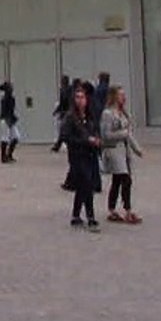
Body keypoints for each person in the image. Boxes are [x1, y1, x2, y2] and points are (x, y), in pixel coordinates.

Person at [100, 86, 143, 224]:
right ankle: (128, 210)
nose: (123, 98)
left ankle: (112, 209)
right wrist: (122, 134)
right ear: (114, 96)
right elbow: (106, 135)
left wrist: (136, 149)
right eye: (120, 95)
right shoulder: (108, 114)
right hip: (113, 150)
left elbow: (128, 134)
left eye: (124, 95)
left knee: (117, 180)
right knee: (125, 179)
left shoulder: (124, 113)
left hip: (124, 151)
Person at [60, 86, 101, 232]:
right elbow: (65, 136)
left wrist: (96, 140)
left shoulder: (89, 116)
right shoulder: (70, 117)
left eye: (82, 97)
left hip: (90, 154)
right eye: (77, 97)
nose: (80, 100)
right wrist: (85, 140)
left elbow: (95, 130)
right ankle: (91, 217)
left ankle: (76, 215)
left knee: (83, 185)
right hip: (77, 155)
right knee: (87, 184)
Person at [0, 81, 20, 163]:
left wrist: (13, 119)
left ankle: (9, 154)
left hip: (10, 120)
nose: (12, 89)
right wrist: (8, 120)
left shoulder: (10, 97)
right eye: (10, 87)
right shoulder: (5, 98)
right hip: (6, 120)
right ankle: (3, 157)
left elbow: (11, 111)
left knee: (16, 137)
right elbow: (5, 111)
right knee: (5, 137)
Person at [51, 75, 71, 152]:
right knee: (64, 129)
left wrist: (57, 111)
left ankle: (58, 145)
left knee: (63, 130)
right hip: (66, 111)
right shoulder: (68, 90)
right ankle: (58, 145)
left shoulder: (64, 90)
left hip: (65, 112)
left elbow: (63, 102)